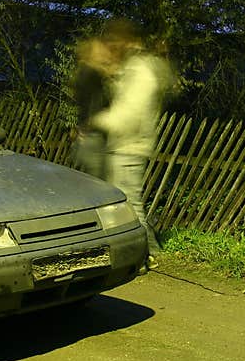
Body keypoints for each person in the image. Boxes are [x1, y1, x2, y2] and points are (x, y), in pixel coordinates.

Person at [88, 18, 173, 268]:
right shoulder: (134, 69)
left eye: (116, 41)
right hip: (125, 144)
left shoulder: (140, 72)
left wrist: (99, 120)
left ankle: (146, 255)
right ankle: (143, 254)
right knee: (126, 202)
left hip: (129, 145)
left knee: (129, 205)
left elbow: (130, 113)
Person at [70, 36, 114, 181]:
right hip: (92, 137)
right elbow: (98, 105)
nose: (105, 52)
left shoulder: (83, 73)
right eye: (100, 50)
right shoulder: (91, 73)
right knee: (96, 185)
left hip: (85, 137)